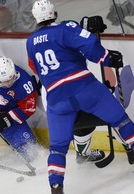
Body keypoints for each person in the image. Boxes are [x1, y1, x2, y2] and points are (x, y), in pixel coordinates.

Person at [27, 1, 134, 194]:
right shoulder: (65, 28)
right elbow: (89, 43)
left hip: (56, 99)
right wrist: (108, 58)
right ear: (55, 13)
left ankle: (56, 186)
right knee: (121, 120)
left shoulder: (30, 41)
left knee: (58, 148)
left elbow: (36, 68)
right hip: (84, 87)